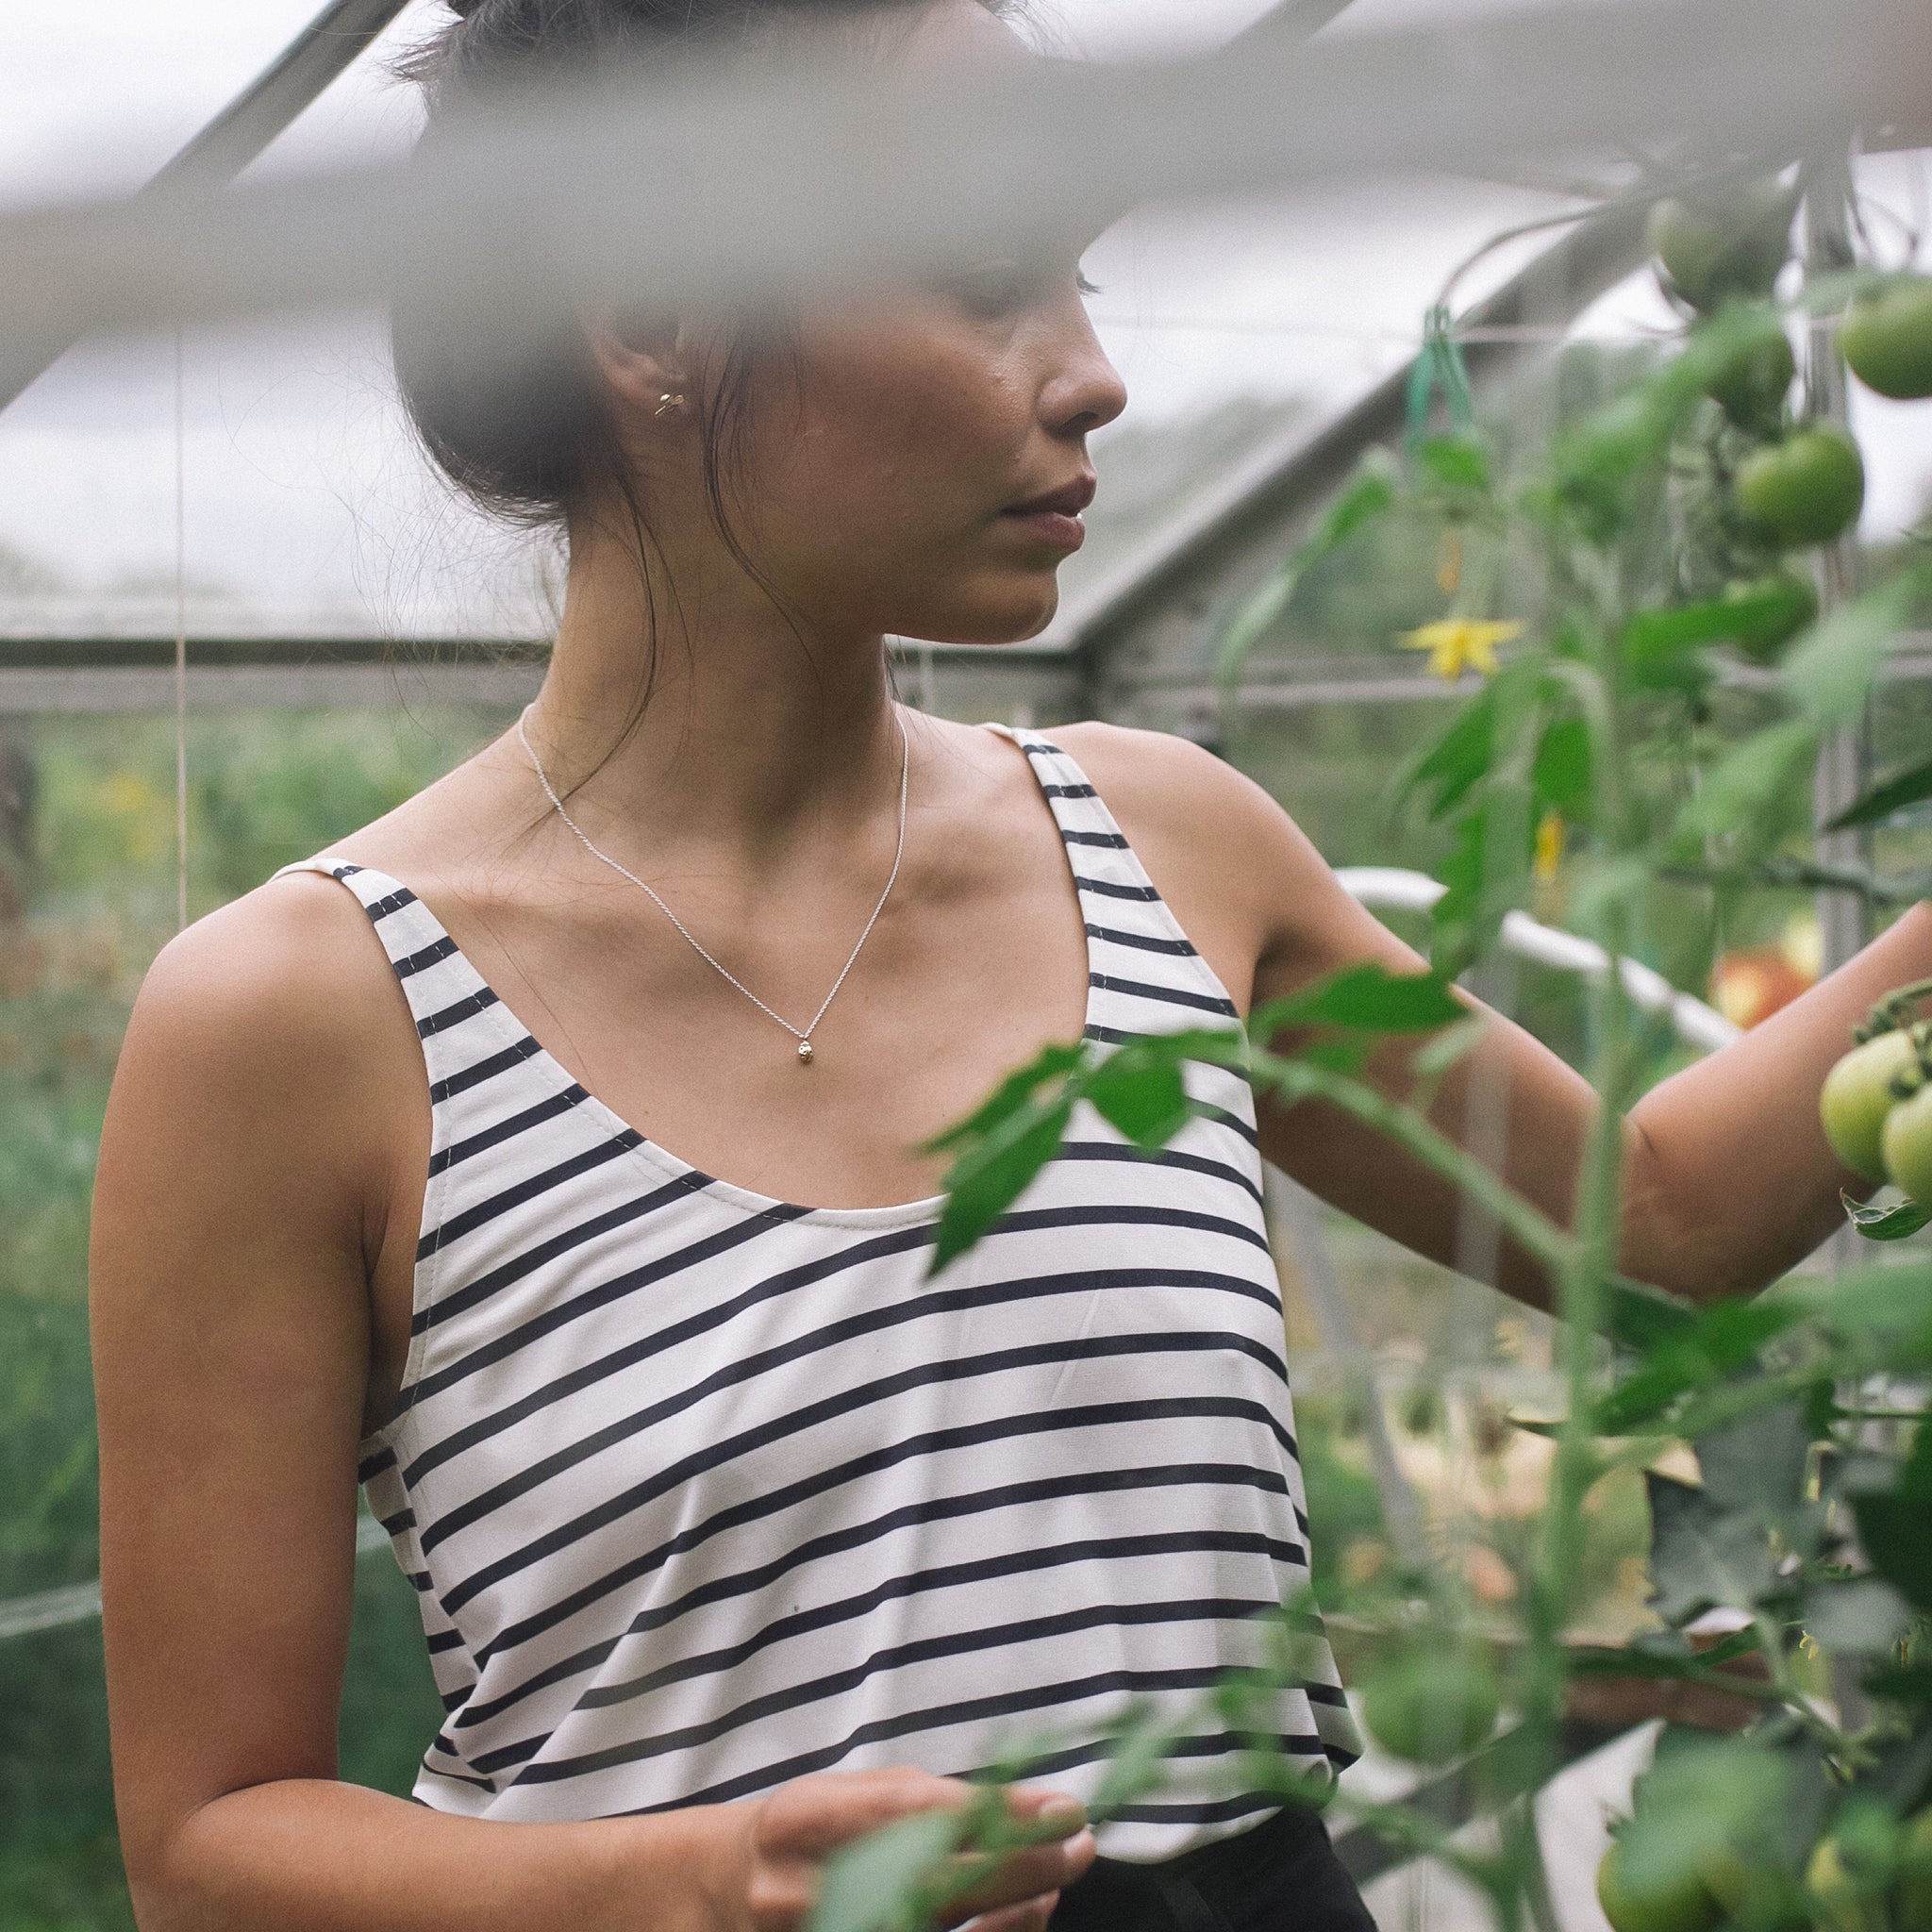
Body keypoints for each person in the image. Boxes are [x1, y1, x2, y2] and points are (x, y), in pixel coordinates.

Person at [89, 0, 1932, 1927]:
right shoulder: (312, 1014)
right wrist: (688, 1885)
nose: (1097, 376)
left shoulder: (1167, 845)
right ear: (649, 321)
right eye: (983, 280)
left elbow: (1656, 1214)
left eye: (1082, 274)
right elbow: (208, 1850)